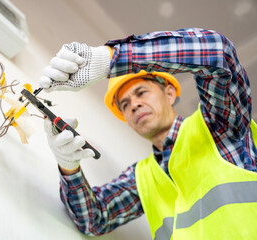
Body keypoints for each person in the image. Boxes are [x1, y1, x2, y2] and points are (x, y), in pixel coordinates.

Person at [39, 28, 257, 239]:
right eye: (125, 104)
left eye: (141, 92)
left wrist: (110, 59)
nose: (134, 105)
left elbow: (218, 52)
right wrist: (68, 165)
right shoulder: (142, 177)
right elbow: (92, 219)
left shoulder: (218, 127)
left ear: (170, 93)